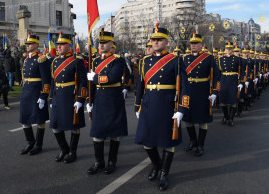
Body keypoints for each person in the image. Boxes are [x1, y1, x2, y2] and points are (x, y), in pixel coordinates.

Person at [134, 23, 189, 191]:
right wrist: (138, 106)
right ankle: (157, 165)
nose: (155, 42)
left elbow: (185, 87)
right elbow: (140, 85)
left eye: (159, 40)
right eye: (154, 40)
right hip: (149, 104)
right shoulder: (144, 61)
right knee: (147, 142)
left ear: (166, 42)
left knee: (167, 142)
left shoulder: (176, 60)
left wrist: (181, 110)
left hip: (166, 106)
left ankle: (164, 173)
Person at [86, 30, 128, 175]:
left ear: (111, 44)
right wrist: (88, 100)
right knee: (97, 132)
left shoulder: (118, 60)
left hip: (113, 99)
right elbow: (91, 84)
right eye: (100, 43)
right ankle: (99, 161)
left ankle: (112, 161)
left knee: (114, 133)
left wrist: (95, 78)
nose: (101, 45)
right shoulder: (95, 60)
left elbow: (113, 77)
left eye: (104, 43)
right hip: (99, 99)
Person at [49, 32, 87, 164]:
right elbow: (53, 81)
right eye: (58, 44)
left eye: (62, 44)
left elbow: (83, 81)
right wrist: (50, 98)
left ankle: (72, 152)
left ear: (68, 45)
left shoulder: (77, 61)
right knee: (54, 125)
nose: (58, 46)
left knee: (74, 125)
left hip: (71, 96)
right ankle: (64, 149)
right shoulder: (54, 61)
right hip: (58, 97)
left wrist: (81, 99)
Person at [182, 32, 220, 156]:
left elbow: (216, 76)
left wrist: (215, 91)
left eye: (196, 43)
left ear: (201, 45)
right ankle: (193, 141)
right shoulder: (184, 58)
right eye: (192, 43)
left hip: (202, 91)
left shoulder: (208, 57)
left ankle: (201, 145)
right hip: (188, 91)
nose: (193, 45)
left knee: (202, 120)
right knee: (188, 118)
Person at [19, 33, 51, 155]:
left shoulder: (41, 59)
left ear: (36, 45)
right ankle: (30, 142)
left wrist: (43, 96)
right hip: (26, 91)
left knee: (39, 119)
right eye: (27, 44)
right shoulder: (27, 59)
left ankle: (38, 145)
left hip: (36, 92)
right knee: (24, 119)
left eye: (30, 43)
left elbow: (46, 80)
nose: (27, 45)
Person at [218, 41, 244, 127]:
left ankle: (231, 119)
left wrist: (241, 82)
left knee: (233, 101)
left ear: (232, 49)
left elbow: (242, 71)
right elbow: (219, 72)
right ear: (225, 50)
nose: (228, 50)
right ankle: (226, 116)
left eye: (230, 49)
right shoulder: (221, 59)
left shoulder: (237, 59)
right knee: (223, 101)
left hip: (233, 80)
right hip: (224, 80)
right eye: (227, 49)